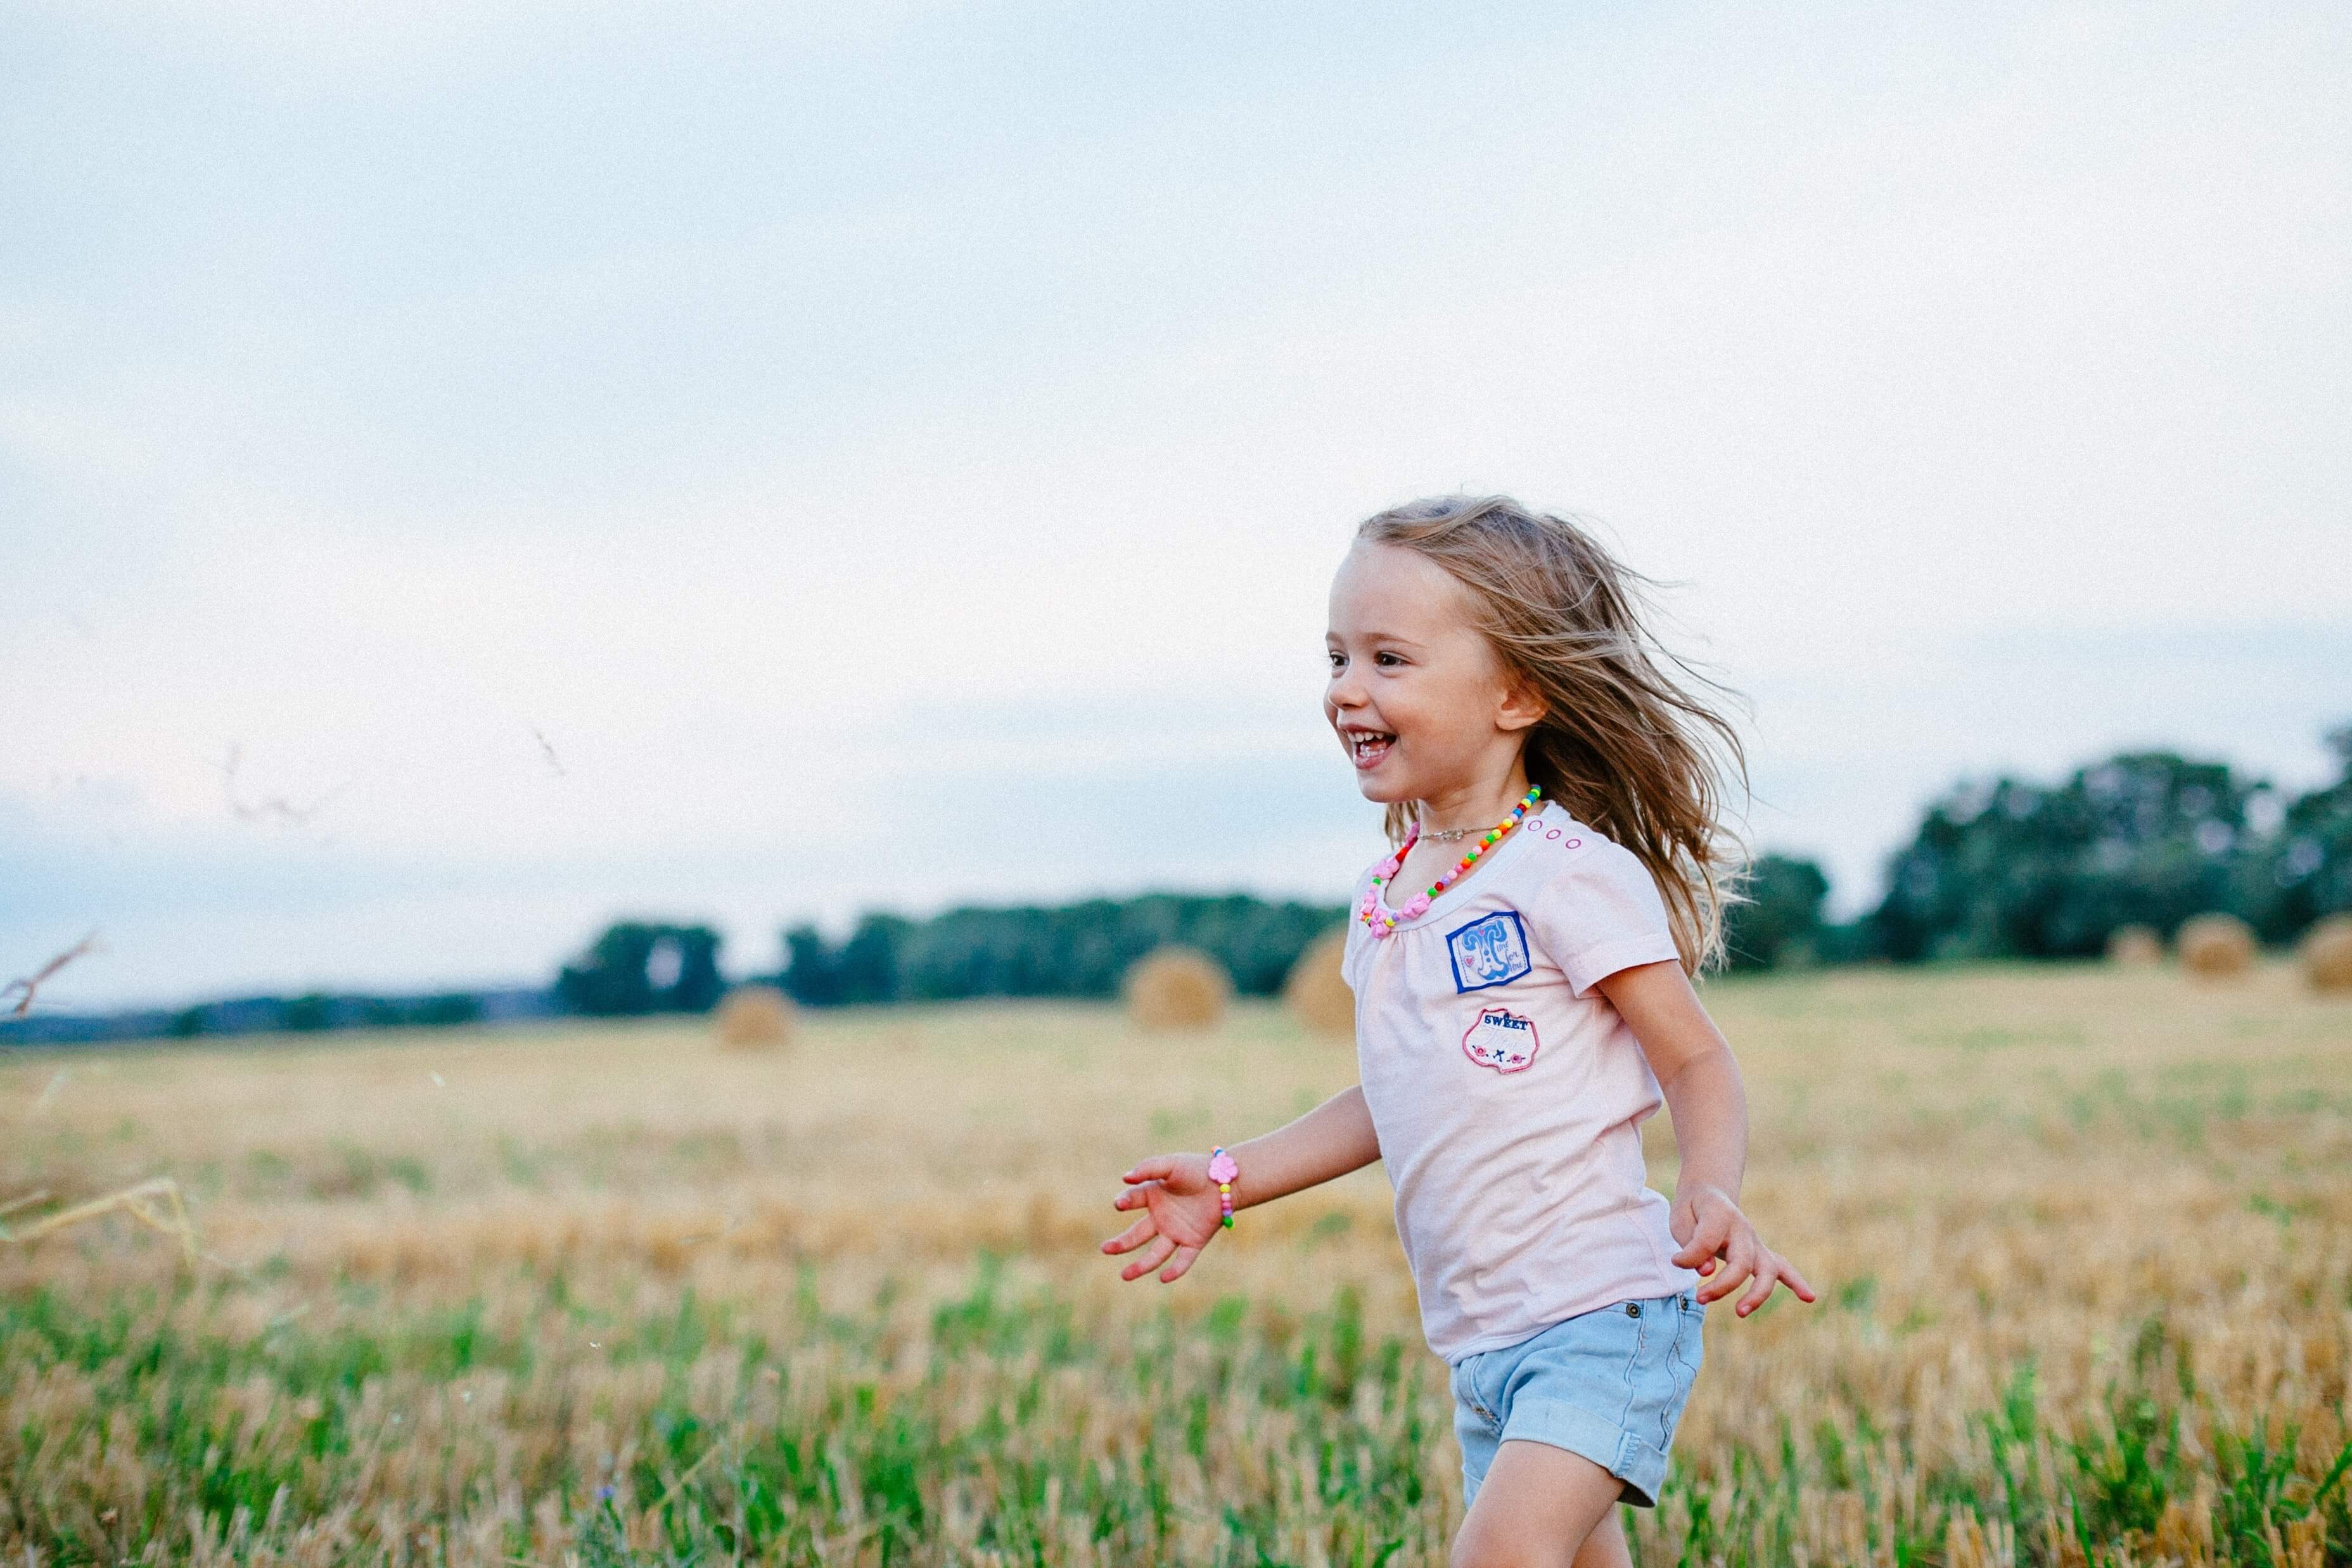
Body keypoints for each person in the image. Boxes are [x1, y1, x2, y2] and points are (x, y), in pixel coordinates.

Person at [1101, 495, 1815, 1567]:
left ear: (1517, 692)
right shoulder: (1389, 893)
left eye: (1390, 659)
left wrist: (1710, 1188)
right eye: (1337, 656)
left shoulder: (1570, 875)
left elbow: (1694, 1056)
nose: (1347, 690)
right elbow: (1394, 1094)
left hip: (1599, 1316)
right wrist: (1233, 1175)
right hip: (1482, 1342)